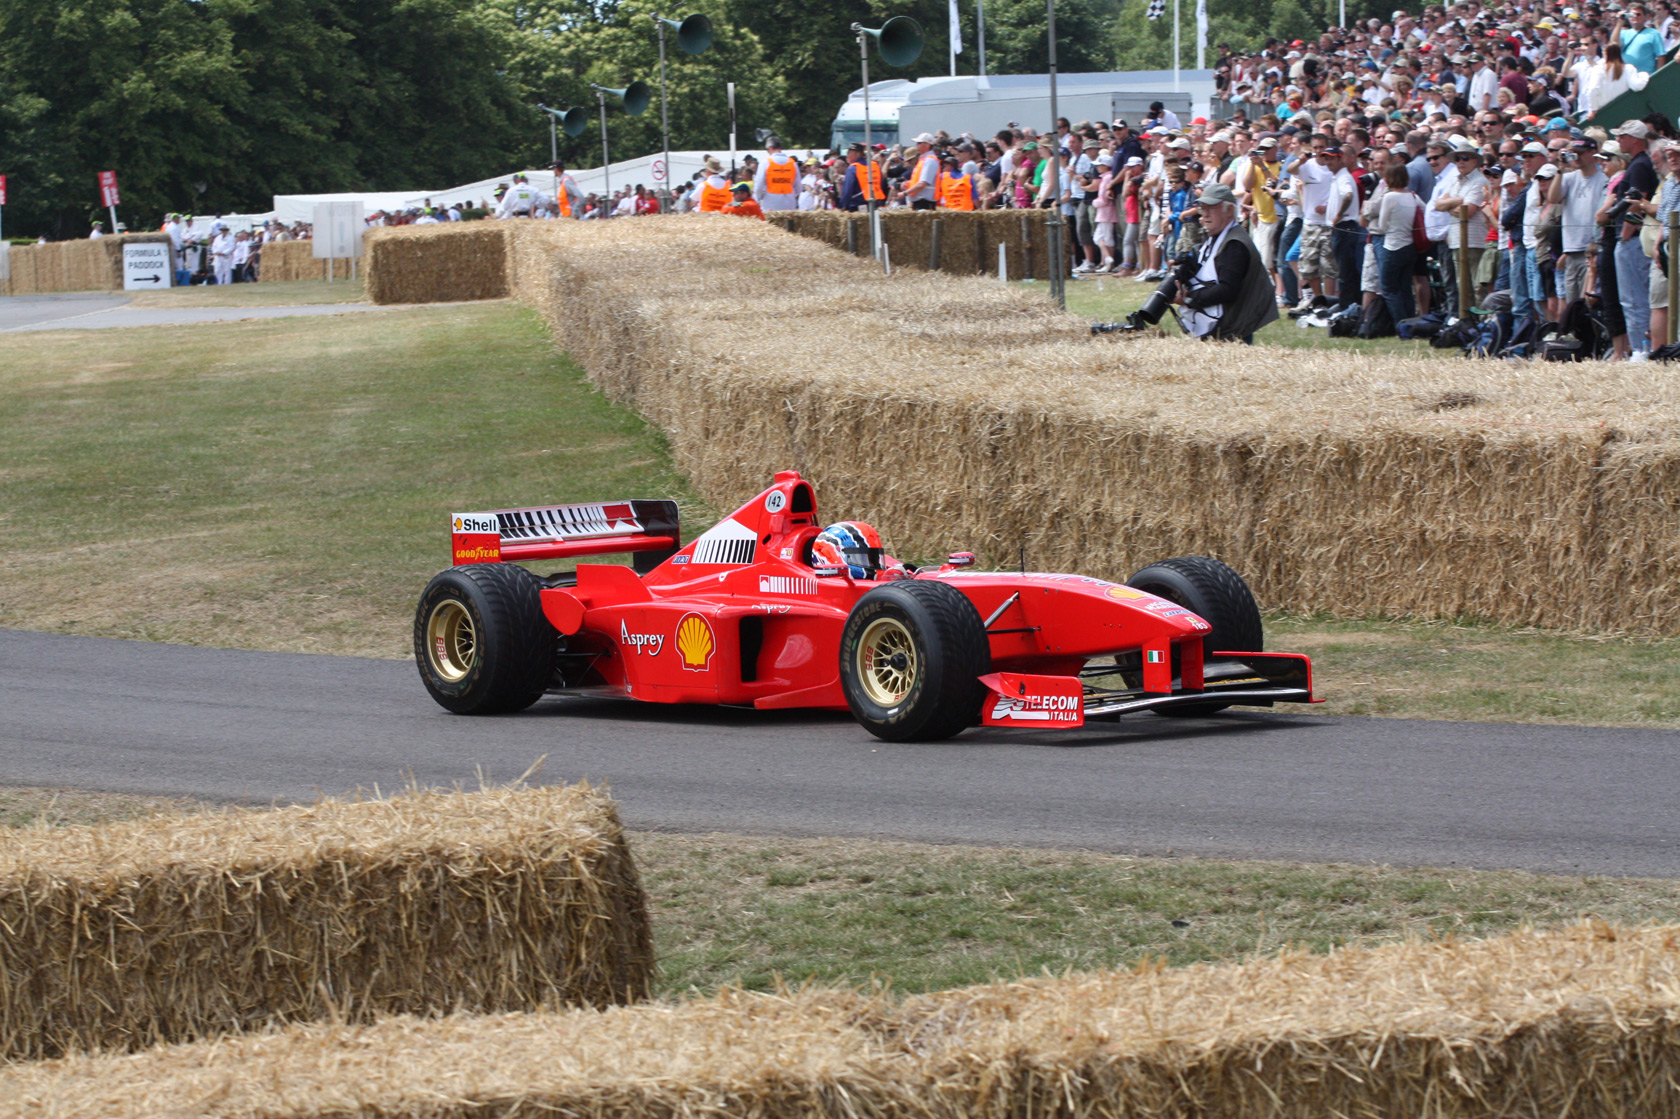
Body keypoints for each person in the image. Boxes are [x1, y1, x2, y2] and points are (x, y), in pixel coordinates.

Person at [1175, 183, 1279, 343]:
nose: (1205, 215)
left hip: (1231, 330)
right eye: (1203, 208)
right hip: (1224, 326)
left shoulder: (1234, 244)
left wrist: (1189, 298)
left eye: (1211, 208)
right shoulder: (1220, 236)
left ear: (1229, 211)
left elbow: (1227, 290)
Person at [1374, 162, 1421, 326]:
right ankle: (1411, 321)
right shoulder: (1413, 196)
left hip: (1392, 246)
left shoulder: (1389, 197)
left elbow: (1382, 225)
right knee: (1405, 288)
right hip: (1410, 246)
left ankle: (1400, 323)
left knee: (1389, 288)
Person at [755, 137, 800, 213]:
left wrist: (759, 197)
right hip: (789, 203)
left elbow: (758, 186)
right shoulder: (792, 163)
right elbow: (799, 187)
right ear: (780, 148)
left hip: (770, 202)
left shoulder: (765, 162)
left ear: (770, 148)